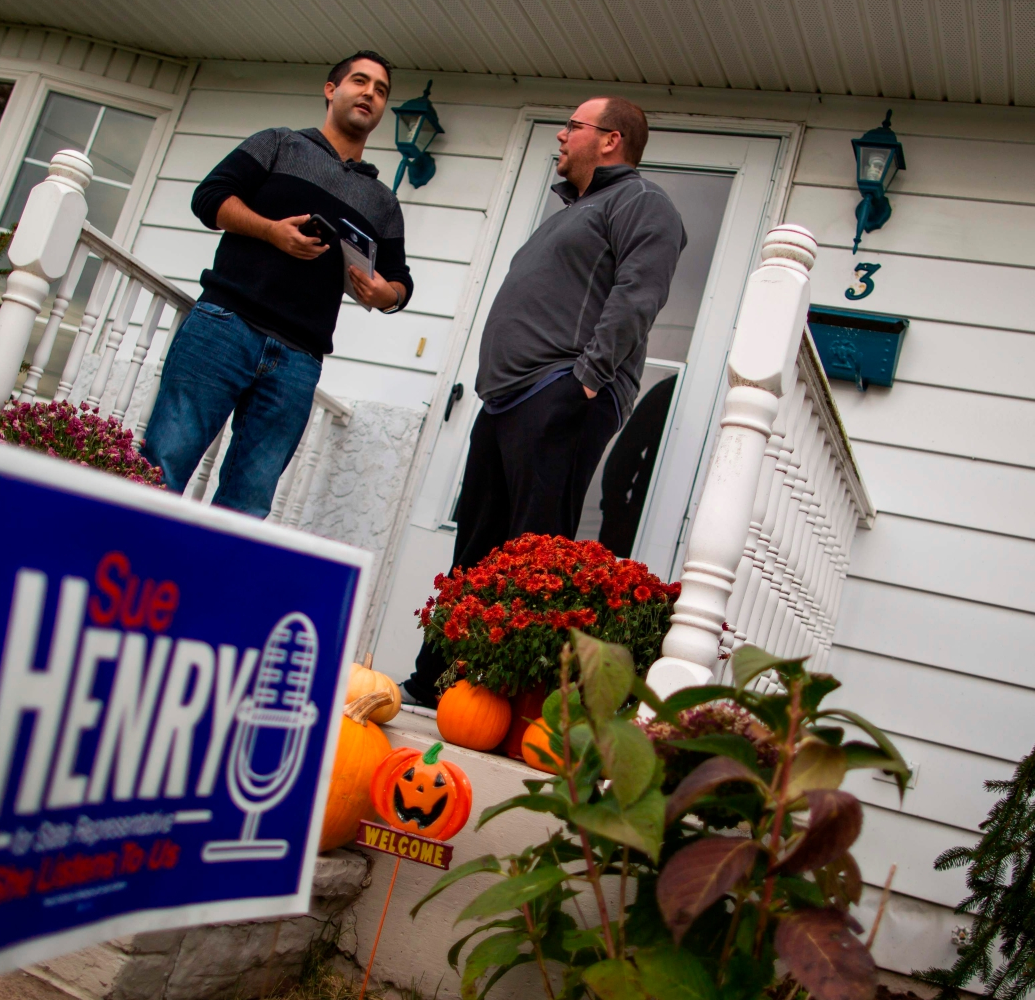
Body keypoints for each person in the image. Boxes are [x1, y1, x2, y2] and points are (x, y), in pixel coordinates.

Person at [408, 96, 685, 703]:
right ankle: (435, 683)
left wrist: (587, 378)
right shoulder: (575, 210)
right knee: (476, 547)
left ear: (610, 139)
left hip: (560, 391)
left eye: (573, 126)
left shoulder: (641, 201)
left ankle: (511, 701)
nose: (561, 136)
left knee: (535, 555)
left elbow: (639, 293)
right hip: (507, 399)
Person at [142, 51, 414, 516]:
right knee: (161, 469)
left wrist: (383, 294)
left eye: (381, 90)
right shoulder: (278, 143)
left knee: (249, 504)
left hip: (298, 362)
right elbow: (208, 198)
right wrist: (271, 231)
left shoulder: (382, 201)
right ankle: (120, 562)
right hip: (223, 327)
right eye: (360, 81)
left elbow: (400, 281)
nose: (370, 93)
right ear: (331, 90)